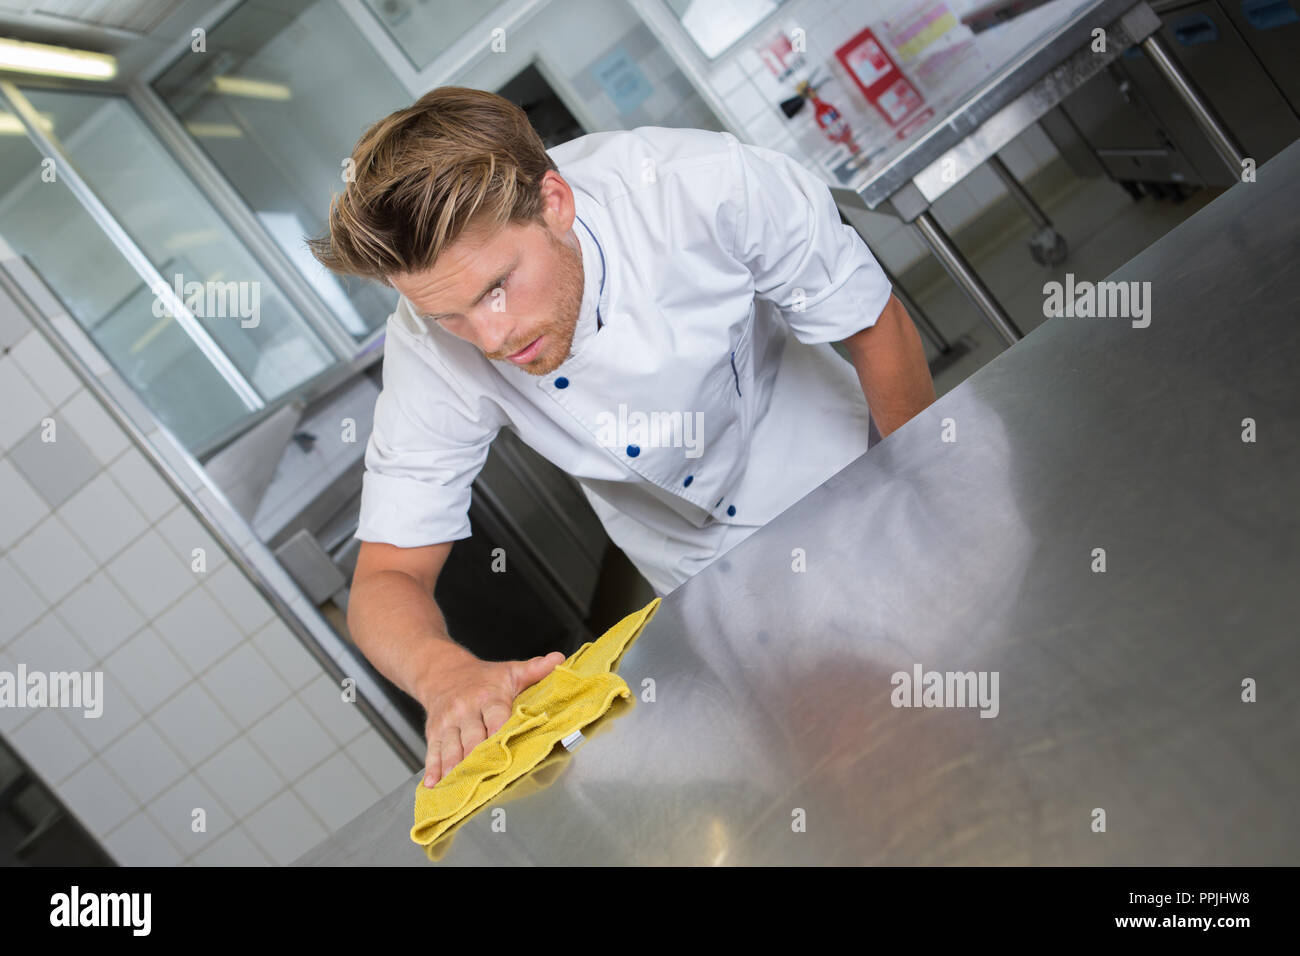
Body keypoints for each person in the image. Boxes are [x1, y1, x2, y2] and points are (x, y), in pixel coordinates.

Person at [309, 87, 935, 788]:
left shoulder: (698, 186)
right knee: (829, 772)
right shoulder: (427, 343)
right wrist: (443, 674)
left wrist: (923, 479)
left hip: (834, 467)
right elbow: (387, 576)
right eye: (450, 315)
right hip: (704, 573)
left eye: (497, 289)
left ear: (554, 202)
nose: (490, 337)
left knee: (943, 694)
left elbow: (872, 324)